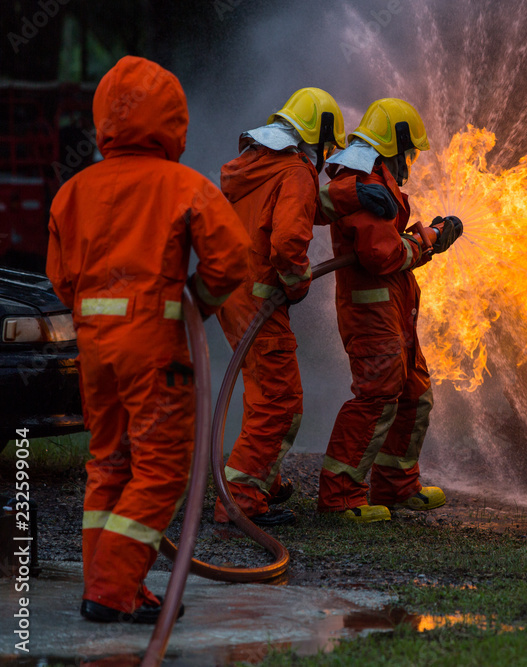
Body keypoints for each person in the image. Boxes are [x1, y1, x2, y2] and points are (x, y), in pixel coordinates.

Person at [46, 55, 249, 623]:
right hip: (154, 347)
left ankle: (114, 586)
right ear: (171, 120)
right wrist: (194, 307)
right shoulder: (183, 186)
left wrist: (98, 315)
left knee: (108, 463)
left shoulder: (73, 192)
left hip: (93, 349)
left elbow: (61, 280)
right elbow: (231, 260)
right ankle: (111, 591)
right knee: (160, 468)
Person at [317, 98, 463, 522]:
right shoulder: (363, 182)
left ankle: (396, 486)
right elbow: (382, 255)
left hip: (394, 310)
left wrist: (427, 238)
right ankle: (340, 498)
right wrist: (430, 238)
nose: (410, 162)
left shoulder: (373, 180)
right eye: (409, 152)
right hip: (372, 314)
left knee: (414, 395)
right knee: (377, 398)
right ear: (395, 143)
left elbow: (389, 246)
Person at [213, 88, 347, 526]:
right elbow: (288, 243)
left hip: (233, 298)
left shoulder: (253, 167)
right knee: (280, 402)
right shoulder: (296, 172)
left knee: (262, 394)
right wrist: (297, 282)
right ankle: (240, 502)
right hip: (259, 302)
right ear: (317, 137)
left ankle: (260, 481)